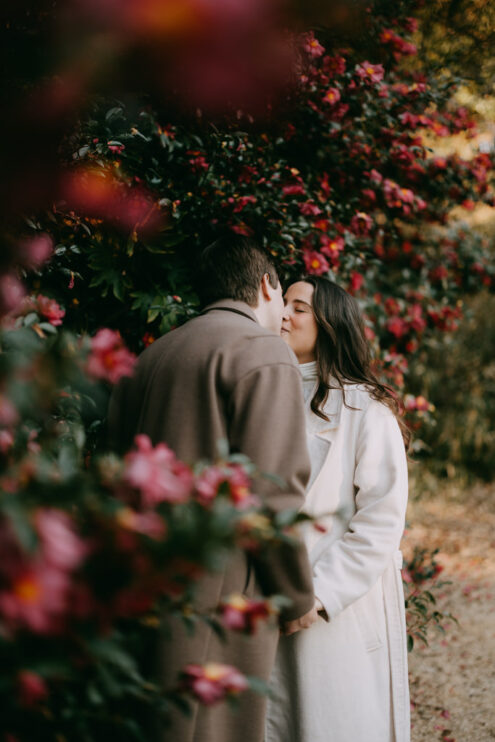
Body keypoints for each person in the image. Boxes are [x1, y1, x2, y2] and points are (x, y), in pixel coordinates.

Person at [107, 235, 318, 742]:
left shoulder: (153, 357)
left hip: (143, 583)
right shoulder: (263, 352)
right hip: (221, 595)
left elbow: (115, 474)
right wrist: (295, 597)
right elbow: (272, 492)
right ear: (267, 286)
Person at [266, 276, 410, 742]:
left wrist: (319, 595)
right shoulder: (264, 397)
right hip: (270, 596)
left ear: (329, 324)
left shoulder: (367, 412)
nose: (284, 313)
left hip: (335, 607)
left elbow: (380, 522)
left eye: (299, 307)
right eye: (283, 302)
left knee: (334, 720)